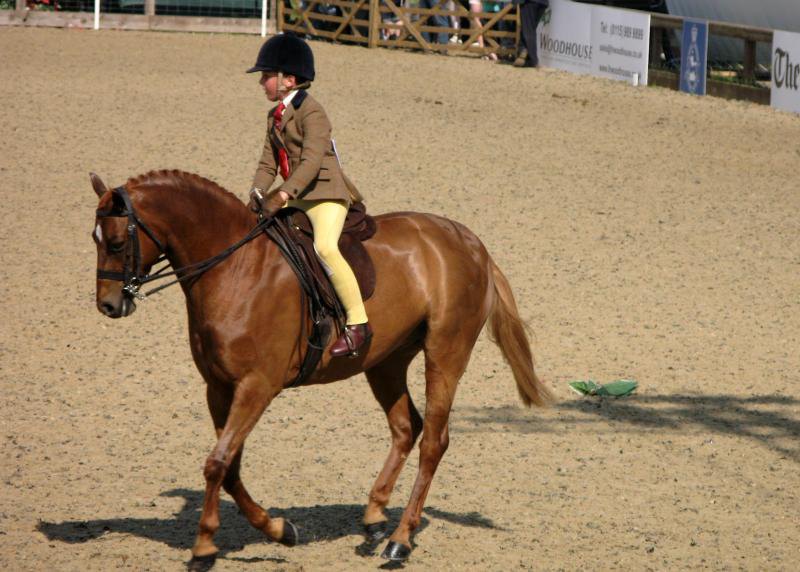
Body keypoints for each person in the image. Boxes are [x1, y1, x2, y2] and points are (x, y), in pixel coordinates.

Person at [246, 34, 372, 358]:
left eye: (266, 75)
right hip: (298, 195)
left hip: (326, 194)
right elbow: (267, 162)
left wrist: (284, 193)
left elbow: (312, 160)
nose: (261, 82)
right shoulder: (274, 117)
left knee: (325, 248)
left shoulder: (313, 112)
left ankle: (358, 324)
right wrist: (258, 193)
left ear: (288, 80)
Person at [513, 0, 548, 67]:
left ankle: (533, 59)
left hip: (529, 2)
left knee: (528, 30)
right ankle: (523, 53)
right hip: (543, 3)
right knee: (530, 28)